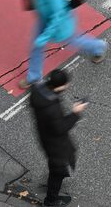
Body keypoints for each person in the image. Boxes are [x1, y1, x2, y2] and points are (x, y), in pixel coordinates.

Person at [19, 0, 107, 89]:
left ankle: (98, 47)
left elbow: (57, 19)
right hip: (44, 21)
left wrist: (44, 38)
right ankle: (33, 77)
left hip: (61, 27)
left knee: (76, 42)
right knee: (36, 47)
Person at [29, 69, 86, 206]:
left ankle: (53, 182)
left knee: (58, 165)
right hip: (55, 144)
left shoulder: (37, 90)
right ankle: (50, 201)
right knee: (58, 171)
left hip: (44, 136)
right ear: (60, 86)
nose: (67, 87)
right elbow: (60, 128)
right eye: (66, 85)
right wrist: (75, 113)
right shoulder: (52, 108)